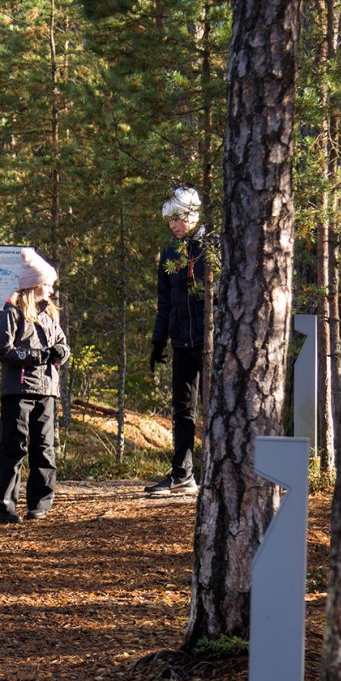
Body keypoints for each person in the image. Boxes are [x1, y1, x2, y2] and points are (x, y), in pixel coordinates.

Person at [0, 248, 70, 523]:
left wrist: (61, 351)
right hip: (19, 390)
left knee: (44, 448)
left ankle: (40, 503)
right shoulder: (12, 312)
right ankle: (4, 506)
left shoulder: (50, 314)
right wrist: (32, 356)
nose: (50, 290)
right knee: (14, 447)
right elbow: (1, 348)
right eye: (47, 284)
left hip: (47, 390)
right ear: (34, 285)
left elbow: (62, 345)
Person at [145, 186, 206, 496]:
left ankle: (219, 471)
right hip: (181, 342)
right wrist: (159, 341)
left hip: (210, 344)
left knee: (218, 409)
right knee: (183, 410)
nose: (173, 225)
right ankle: (182, 475)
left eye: (177, 218)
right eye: (169, 220)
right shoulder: (170, 253)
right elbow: (164, 300)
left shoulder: (213, 248)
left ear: (191, 214)